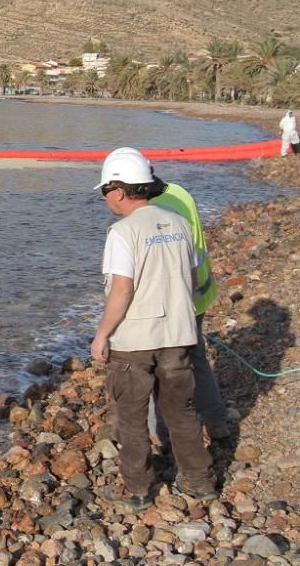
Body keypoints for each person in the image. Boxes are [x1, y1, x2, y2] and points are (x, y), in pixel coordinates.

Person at [91, 150, 216, 510]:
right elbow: (191, 279)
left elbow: (121, 291)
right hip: (178, 334)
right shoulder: (177, 222)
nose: (104, 198)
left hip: (134, 341)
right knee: (183, 413)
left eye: (105, 191)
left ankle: (139, 490)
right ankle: (200, 482)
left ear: (119, 190)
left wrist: (102, 335)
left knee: (130, 418)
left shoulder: (122, 232)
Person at [108, 148, 230, 442]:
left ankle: (159, 434)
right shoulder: (179, 192)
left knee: (157, 367)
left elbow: (144, 271)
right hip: (196, 290)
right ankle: (216, 423)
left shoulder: (152, 209)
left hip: (175, 300)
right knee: (193, 359)